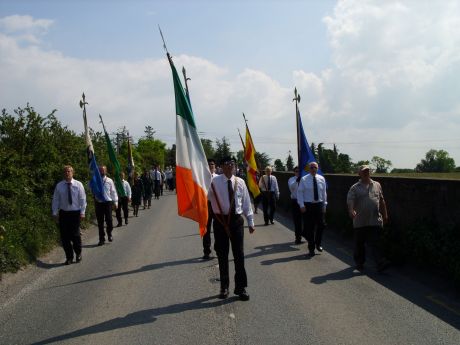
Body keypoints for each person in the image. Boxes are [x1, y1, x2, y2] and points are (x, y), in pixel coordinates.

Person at [208, 156, 255, 301]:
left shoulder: (240, 182)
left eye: (232, 164)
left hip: (236, 221)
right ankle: (224, 287)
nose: (230, 166)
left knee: (239, 255)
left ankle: (241, 288)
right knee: (222, 255)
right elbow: (204, 196)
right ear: (221, 166)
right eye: (227, 164)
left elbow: (246, 202)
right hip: (220, 221)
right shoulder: (213, 182)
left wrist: (251, 221)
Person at [347, 165, 389, 272]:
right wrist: (351, 210)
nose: (366, 173)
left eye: (368, 171)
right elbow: (350, 201)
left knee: (376, 242)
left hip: (374, 219)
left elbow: (382, 201)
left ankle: (380, 262)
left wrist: (385, 215)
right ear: (359, 174)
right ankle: (360, 262)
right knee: (360, 243)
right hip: (360, 220)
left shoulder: (377, 185)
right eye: (364, 171)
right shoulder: (354, 187)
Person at [52, 165, 87, 265]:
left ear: (72, 173)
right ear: (63, 174)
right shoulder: (59, 186)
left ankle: (78, 253)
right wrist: (54, 212)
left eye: (69, 171)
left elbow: (83, 199)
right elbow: (56, 200)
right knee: (65, 237)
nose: (67, 173)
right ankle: (69, 257)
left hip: (75, 213)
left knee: (75, 235)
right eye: (65, 172)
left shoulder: (78, 184)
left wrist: (82, 212)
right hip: (64, 213)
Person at [297, 161, 327, 256]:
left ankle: (318, 243)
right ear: (309, 169)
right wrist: (301, 205)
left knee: (321, 225)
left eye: (315, 167)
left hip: (319, 205)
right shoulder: (304, 179)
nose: (313, 169)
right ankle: (311, 247)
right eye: (312, 167)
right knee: (310, 227)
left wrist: (324, 205)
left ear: (317, 169)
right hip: (308, 205)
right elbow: (300, 192)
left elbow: (324, 193)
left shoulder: (321, 178)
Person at [94, 165, 118, 246]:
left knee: (109, 220)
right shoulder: (96, 180)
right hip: (99, 203)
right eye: (100, 170)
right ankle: (101, 239)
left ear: (106, 171)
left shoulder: (109, 180)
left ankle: (109, 233)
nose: (101, 172)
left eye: (103, 170)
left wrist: (116, 202)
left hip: (108, 203)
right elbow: (90, 188)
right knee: (100, 223)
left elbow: (113, 192)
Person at [202, 158, 218, 260]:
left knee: (218, 229)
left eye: (212, 164)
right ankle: (206, 251)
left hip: (216, 205)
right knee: (206, 229)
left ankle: (217, 249)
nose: (211, 166)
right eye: (209, 164)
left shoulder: (219, 178)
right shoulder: (202, 178)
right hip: (206, 205)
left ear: (215, 166)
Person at [288, 166, 303, 244]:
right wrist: (297, 180)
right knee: (297, 221)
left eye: (299, 171)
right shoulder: (291, 179)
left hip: (304, 202)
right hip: (295, 201)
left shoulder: (304, 179)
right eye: (296, 171)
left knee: (307, 221)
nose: (298, 173)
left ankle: (304, 233)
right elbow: (291, 188)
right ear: (294, 172)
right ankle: (298, 238)